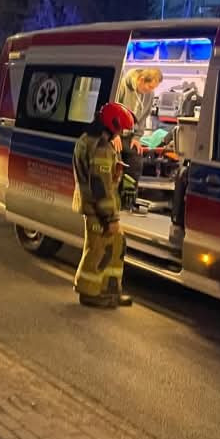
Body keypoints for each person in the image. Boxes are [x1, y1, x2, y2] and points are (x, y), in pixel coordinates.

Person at [72, 102, 135, 308]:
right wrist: (111, 218)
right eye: (120, 129)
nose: (121, 133)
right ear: (112, 124)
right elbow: (101, 186)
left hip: (92, 206)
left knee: (115, 245)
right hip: (98, 210)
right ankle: (89, 292)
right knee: (97, 250)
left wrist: (113, 168)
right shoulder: (101, 147)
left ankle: (109, 291)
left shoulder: (87, 139)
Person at [114, 68, 163, 210]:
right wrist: (114, 134)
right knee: (114, 162)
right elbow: (112, 110)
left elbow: (142, 119)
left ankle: (126, 201)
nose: (151, 90)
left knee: (136, 161)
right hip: (114, 133)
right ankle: (110, 199)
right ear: (141, 80)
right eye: (150, 86)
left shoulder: (149, 95)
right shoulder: (122, 86)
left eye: (154, 88)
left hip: (129, 135)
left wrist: (137, 137)